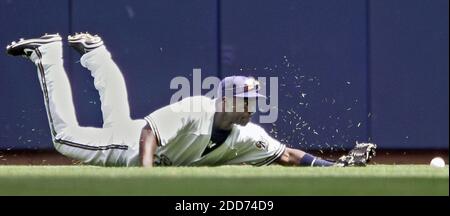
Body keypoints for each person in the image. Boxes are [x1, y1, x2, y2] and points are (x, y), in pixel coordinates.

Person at [6, 32, 376, 167]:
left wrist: (336, 167)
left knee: (116, 112)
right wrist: (146, 180)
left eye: (255, 99)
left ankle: (95, 53)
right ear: (227, 99)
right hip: (131, 148)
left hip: (136, 136)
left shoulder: (244, 136)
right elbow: (149, 132)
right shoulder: (197, 106)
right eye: (246, 99)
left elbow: (286, 155)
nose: (253, 105)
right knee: (64, 139)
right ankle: (49, 55)